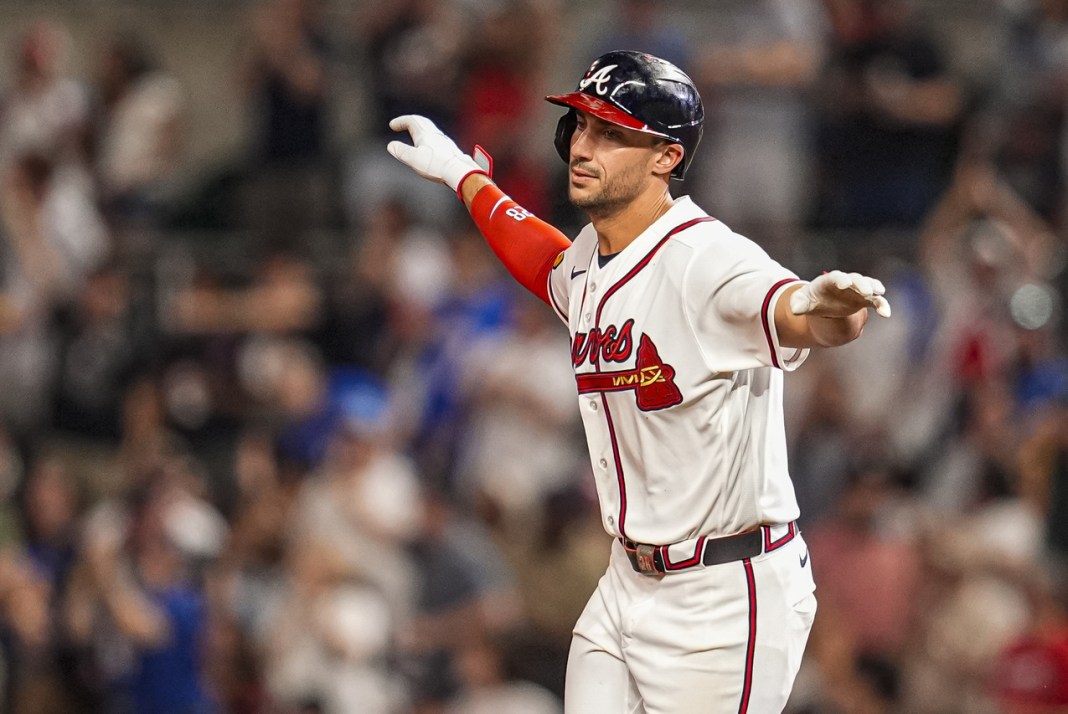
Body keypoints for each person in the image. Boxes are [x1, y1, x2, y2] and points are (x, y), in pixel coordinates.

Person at [387, 49, 891, 714]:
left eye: (613, 133)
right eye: (583, 127)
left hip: (724, 597)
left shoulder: (707, 259)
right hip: (628, 581)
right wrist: (463, 176)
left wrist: (834, 307)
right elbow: (544, 260)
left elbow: (798, 315)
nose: (585, 146)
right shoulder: (594, 254)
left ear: (666, 158)